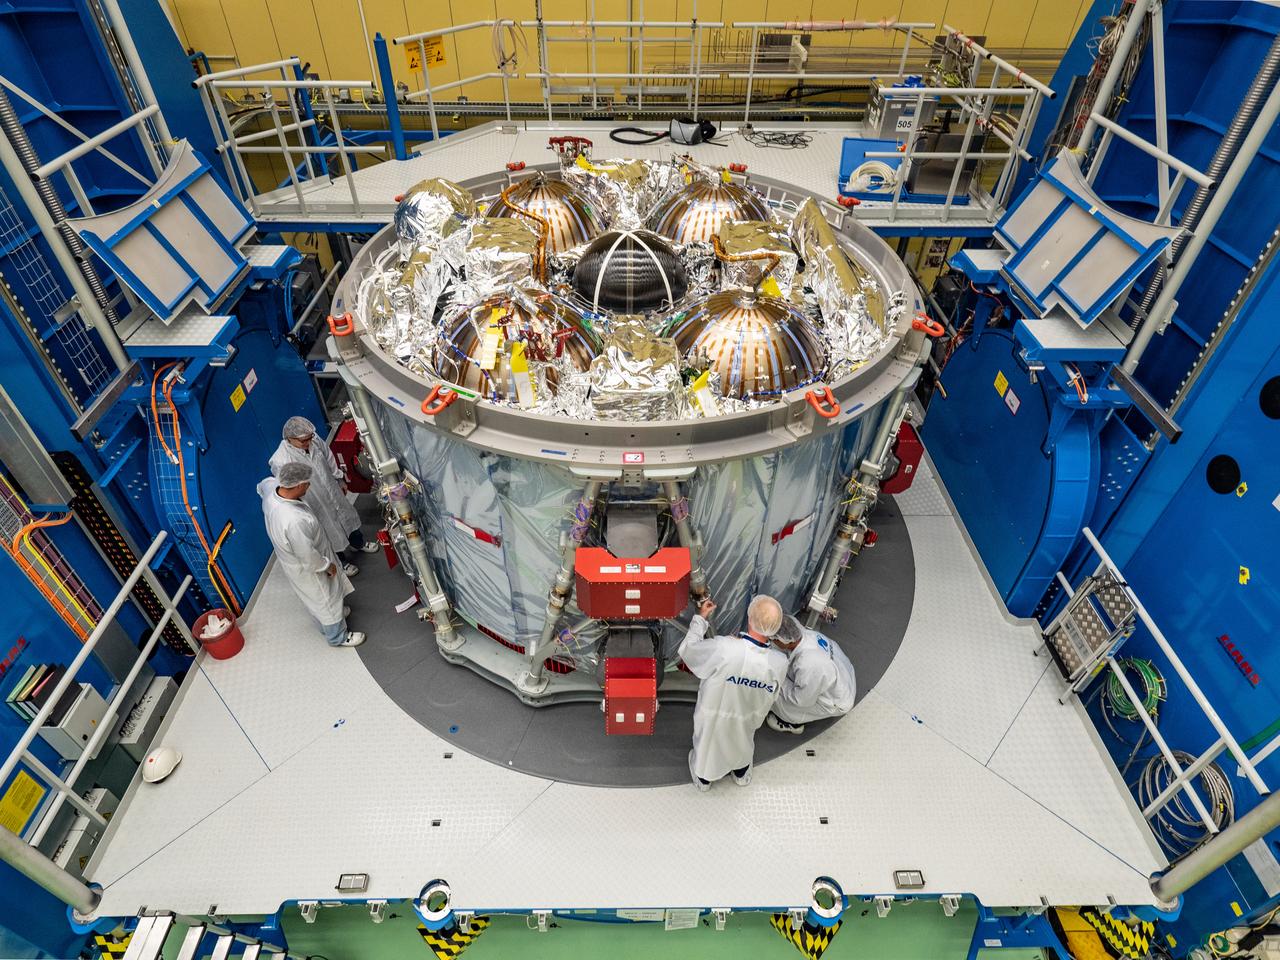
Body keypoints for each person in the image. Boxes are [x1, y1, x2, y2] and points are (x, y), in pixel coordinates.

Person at [679, 594, 789, 790]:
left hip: (714, 718)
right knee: (742, 742)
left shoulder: (725, 648)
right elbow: (771, 693)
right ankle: (740, 773)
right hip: (748, 719)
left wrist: (700, 619)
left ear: (749, 618)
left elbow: (690, 651)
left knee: (707, 748)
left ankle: (704, 779)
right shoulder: (779, 663)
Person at [258, 462, 365, 648]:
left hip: (294, 561)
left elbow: (262, 485)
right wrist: (327, 565)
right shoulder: (293, 520)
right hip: (309, 566)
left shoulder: (272, 489)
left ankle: (336, 616)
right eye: (307, 483)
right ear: (298, 485)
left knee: (319, 599)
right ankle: (337, 637)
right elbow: (307, 556)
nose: (309, 486)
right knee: (325, 600)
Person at [270, 416, 376, 576]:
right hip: (313, 500)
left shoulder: (313, 439)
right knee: (327, 531)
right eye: (303, 440)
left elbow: (328, 456)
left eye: (309, 438)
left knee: (346, 517)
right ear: (289, 438)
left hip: (331, 489)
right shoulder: (281, 460)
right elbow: (288, 488)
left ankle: (358, 543)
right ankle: (342, 562)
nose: (308, 442)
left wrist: (339, 478)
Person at [767, 614, 857, 734]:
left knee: (769, 686)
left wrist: (776, 679)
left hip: (837, 700)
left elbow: (802, 700)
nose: (770, 640)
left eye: (772, 639)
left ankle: (791, 723)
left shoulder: (809, 663)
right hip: (843, 675)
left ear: (783, 640)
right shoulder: (806, 635)